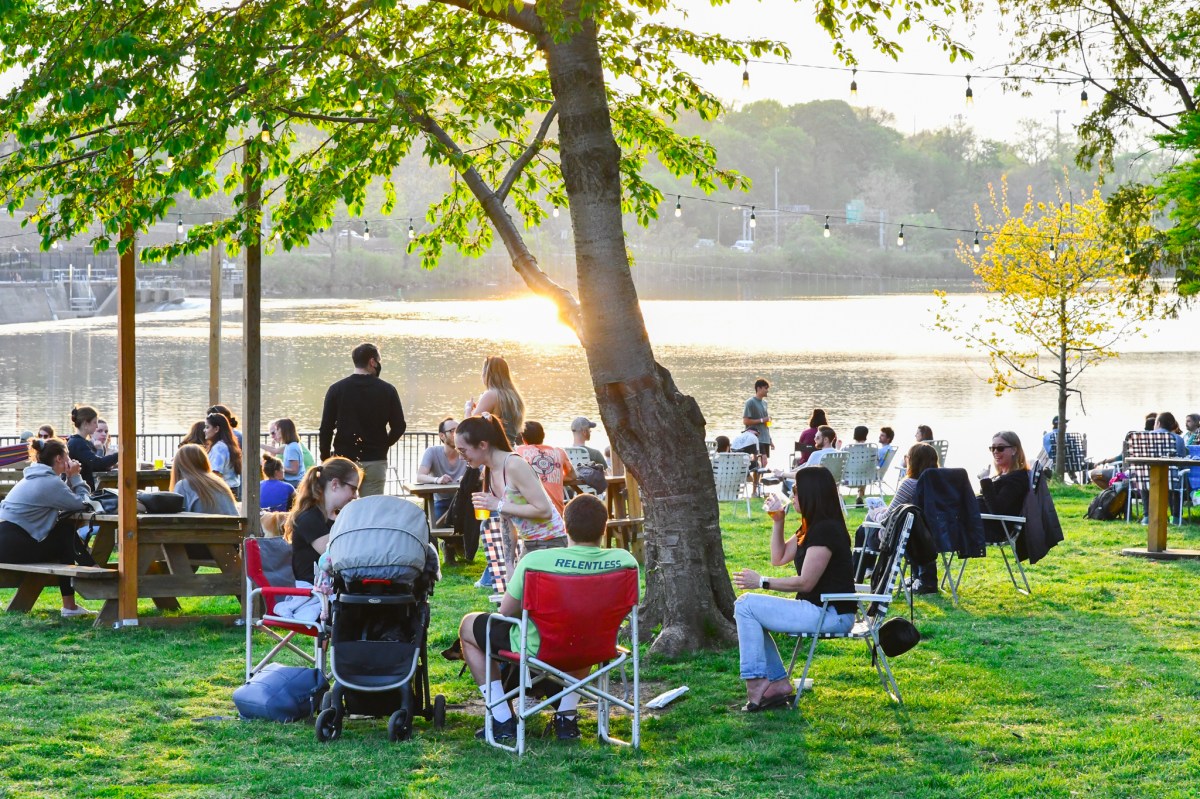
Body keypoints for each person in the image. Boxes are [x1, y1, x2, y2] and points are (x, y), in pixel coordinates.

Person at [457, 493, 639, 741]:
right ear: (604, 527)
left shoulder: (536, 561)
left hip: (539, 648)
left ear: (565, 526)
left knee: (469, 625)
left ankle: (501, 718)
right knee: (586, 625)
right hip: (597, 646)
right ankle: (567, 717)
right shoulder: (625, 561)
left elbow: (506, 611)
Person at [731, 468, 856, 711]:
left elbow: (805, 583)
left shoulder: (826, 530)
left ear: (811, 494)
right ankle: (775, 684)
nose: (792, 496)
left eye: (796, 491)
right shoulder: (810, 528)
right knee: (747, 609)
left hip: (831, 613)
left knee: (746, 605)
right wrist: (779, 521)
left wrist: (762, 582)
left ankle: (758, 681)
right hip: (818, 609)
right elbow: (778, 558)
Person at [457, 414, 566, 586]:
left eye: (463, 450)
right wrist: (509, 565)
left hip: (552, 542)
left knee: (523, 607)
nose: (460, 456)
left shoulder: (515, 465)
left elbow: (544, 510)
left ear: (483, 445)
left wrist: (498, 504)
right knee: (511, 606)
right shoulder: (489, 472)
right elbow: (505, 519)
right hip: (529, 544)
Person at [0, 437, 97, 617]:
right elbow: (84, 504)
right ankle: (91, 577)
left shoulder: (34, 478)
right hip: (11, 547)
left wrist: (69, 479)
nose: (70, 459)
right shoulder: (49, 483)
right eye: (67, 455)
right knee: (65, 533)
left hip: (6, 544)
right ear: (59, 458)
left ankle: (90, 572)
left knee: (63, 533)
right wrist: (76, 477)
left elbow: (64, 499)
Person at [319, 342, 406, 497]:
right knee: (372, 510)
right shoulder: (387, 390)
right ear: (372, 362)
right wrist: (384, 444)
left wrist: (326, 457)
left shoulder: (336, 389)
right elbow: (399, 426)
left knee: (341, 509)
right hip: (375, 460)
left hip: (344, 460)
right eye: (379, 361)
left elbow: (326, 428)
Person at [856, 442, 939, 587]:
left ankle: (858, 575)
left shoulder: (909, 485)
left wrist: (875, 513)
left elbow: (885, 519)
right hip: (930, 538)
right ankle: (868, 570)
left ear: (912, 461)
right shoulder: (937, 485)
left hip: (900, 540)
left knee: (864, 528)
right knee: (866, 527)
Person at [284, 457, 361, 584]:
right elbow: (338, 557)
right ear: (335, 484)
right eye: (353, 489)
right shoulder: (309, 519)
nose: (355, 496)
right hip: (312, 594)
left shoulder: (340, 516)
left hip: (333, 590)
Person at [516, 421, 576, 514]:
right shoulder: (559, 452)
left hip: (531, 514)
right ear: (543, 435)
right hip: (557, 514)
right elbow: (572, 476)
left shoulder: (518, 452)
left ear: (523, 439)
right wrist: (555, 477)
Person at [417, 417, 469, 521]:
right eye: (453, 431)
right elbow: (420, 477)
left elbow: (484, 473)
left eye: (459, 430)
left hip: (463, 502)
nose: (457, 434)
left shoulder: (468, 452)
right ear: (442, 436)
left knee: (473, 523)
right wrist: (437, 480)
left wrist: (468, 477)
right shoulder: (432, 452)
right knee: (433, 525)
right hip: (440, 502)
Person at [466, 356, 525, 447]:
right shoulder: (515, 396)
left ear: (488, 373)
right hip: (510, 449)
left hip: (495, 451)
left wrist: (468, 410)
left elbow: (469, 429)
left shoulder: (492, 394)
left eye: (483, 371)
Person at [170, 443, 238, 515]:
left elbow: (175, 518)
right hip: (230, 525)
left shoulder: (183, 485)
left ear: (179, 466)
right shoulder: (219, 482)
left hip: (203, 526)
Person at [978, 431, 1030, 519]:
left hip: (995, 527)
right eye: (993, 448)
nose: (995, 451)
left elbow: (996, 509)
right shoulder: (1003, 475)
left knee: (959, 474)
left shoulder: (1017, 478)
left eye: (1000, 448)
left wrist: (985, 479)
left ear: (1014, 450)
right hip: (981, 521)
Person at [66, 405, 119, 491]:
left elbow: (95, 464)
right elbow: (97, 464)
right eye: (95, 422)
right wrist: (120, 455)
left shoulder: (82, 442)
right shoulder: (77, 443)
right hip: (80, 491)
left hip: (85, 488)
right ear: (86, 424)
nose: (97, 426)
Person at [203, 411, 243, 499]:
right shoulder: (229, 445)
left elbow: (216, 474)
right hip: (233, 489)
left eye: (207, 427)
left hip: (221, 491)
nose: (204, 430)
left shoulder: (219, 448)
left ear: (216, 429)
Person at [742, 378, 772, 470]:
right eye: (765, 388)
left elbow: (767, 423)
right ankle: (754, 482)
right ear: (758, 388)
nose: (767, 390)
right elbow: (745, 421)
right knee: (761, 462)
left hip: (765, 438)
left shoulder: (765, 403)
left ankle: (757, 483)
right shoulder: (750, 402)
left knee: (762, 464)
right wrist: (762, 420)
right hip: (756, 438)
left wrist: (770, 439)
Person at [268, 418, 307, 488]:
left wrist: (279, 467)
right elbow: (274, 451)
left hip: (294, 483)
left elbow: (295, 470)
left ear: (283, 431)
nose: (275, 432)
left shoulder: (292, 448)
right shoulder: (290, 445)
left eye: (277, 430)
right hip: (292, 481)